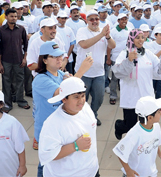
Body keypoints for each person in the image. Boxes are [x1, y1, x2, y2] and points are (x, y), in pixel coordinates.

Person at [32, 41, 93, 175]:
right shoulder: (40, 80)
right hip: (47, 130)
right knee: (47, 162)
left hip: (63, 128)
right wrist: (81, 71)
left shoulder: (60, 74)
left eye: (60, 56)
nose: (59, 59)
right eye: (54, 56)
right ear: (44, 60)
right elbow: (66, 94)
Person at [112, 29, 161, 139]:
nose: (140, 40)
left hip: (146, 95)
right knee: (130, 125)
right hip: (131, 96)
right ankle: (120, 126)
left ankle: (140, 143)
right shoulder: (124, 53)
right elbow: (117, 72)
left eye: (142, 37)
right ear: (131, 39)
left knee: (146, 123)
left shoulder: (148, 54)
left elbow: (159, 70)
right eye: (137, 37)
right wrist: (128, 61)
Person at [38, 77, 100, 177]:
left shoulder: (86, 109)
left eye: (83, 96)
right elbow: (48, 155)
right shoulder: (53, 123)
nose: (81, 101)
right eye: (76, 97)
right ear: (64, 99)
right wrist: (75, 146)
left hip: (91, 171)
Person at [75, 10, 116, 126]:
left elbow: (113, 46)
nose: (94, 21)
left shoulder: (103, 31)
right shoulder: (82, 31)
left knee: (99, 98)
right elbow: (84, 45)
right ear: (87, 21)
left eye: (96, 19)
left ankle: (93, 115)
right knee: (81, 99)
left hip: (99, 72)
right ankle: (81, 119)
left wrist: (107, 37)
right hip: (83, 73)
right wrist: (102, 34)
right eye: (91, 19)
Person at [113, 96, 161, 177]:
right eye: (159, 111)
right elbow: (120, 153)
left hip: (151, 172)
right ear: (150, 117)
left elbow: (155, 142)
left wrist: (160, 155)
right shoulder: (134, 134)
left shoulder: (156, 126)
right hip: (136, 174)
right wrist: (128, 171)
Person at [0, 8, 30, 112]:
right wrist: (0, 63)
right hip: (6, 61)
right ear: (6, 17)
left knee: (20, 80)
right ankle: (7, 103)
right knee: (6, 82)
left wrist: (25, 58)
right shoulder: (0, 30)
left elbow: (26, 45)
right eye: (11, 16)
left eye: (15, 16)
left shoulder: (21, 29)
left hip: (19, 60)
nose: (14, 18)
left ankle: (20, 100)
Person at [145, 27, 161, 100]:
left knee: (160, 93)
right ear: (155, 35)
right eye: (160, 35)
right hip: (152, 73)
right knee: (151, 93)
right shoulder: (150, 44)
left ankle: (159, 108)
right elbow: (153, 57)